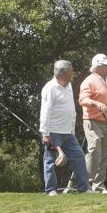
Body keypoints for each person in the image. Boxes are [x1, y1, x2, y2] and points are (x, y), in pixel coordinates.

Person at [40, 60, 90, 195]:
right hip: (53, 132)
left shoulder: (68, 85)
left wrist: (72, 128)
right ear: (63, 74)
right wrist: (45, 133)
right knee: (50, 161)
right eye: (71, 71)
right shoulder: (50, 88)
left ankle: (84, 189)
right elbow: (45, 111)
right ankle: (50, 189)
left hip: (68, 132)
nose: (73, 74)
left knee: (79, 156)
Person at [78, 53, 107, 194]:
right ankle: (85, 185)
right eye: (106, 65)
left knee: (104, 154)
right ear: (97, 67)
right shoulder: (89, 81)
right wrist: (95, 103)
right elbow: (82, 100)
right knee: (95, 151)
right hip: (92, 121)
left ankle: (99, 186)